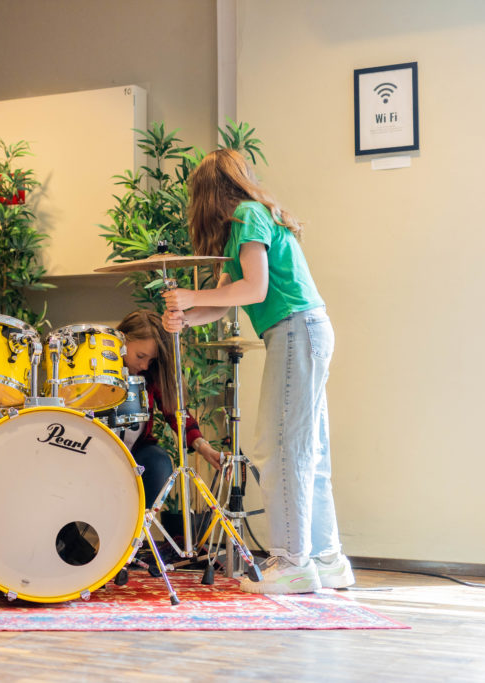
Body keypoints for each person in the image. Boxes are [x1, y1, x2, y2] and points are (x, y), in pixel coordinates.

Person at [162, 148, 354, 595]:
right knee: (308, 451)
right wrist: (186, 316)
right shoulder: (246, 223)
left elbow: (256, 288)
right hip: (305, 328)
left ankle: (291, 562)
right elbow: (225, 299)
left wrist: (190, 297)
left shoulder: (247, 216)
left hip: (295, 329)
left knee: (280, 448)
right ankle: (327, 559)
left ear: (208, 192)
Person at [116, 310, 224, 507]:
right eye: (140, 356)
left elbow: (176, 413)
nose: (145, 365)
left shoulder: (150, 374)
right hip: (92, 448)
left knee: (159, 463)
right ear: (121, 339)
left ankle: (140, 525)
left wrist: (203, 447)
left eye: (151, 360)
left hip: (135, 451)